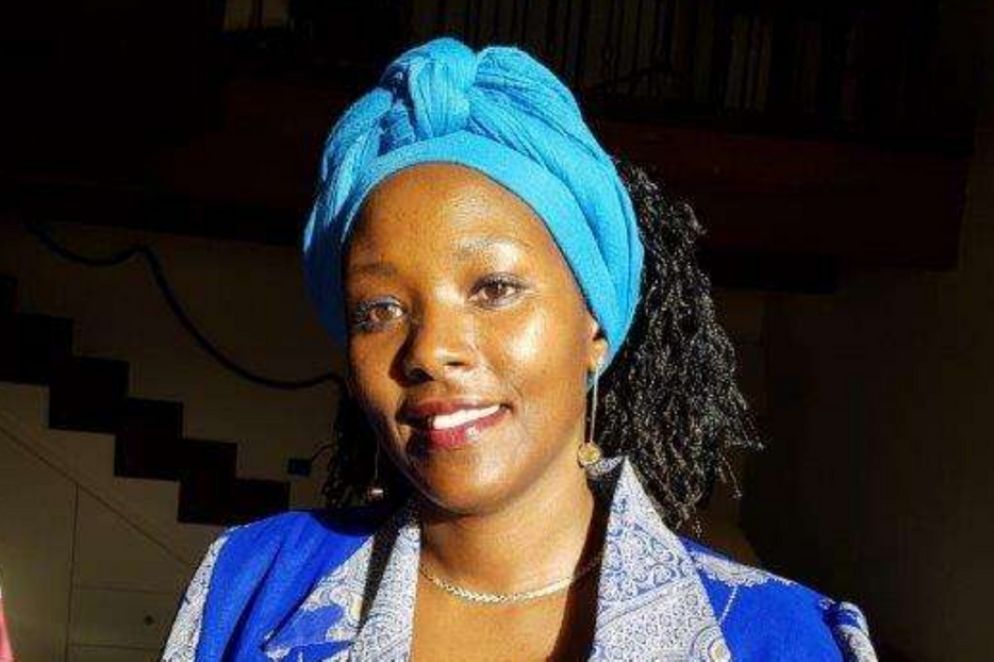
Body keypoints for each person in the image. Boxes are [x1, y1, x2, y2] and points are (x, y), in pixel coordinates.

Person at [163, 37, 877, 661]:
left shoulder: (780, 640)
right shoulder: (252, 589)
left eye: (494, 288)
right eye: (380, 310)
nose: (430, 350)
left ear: (593, 326)